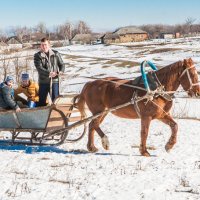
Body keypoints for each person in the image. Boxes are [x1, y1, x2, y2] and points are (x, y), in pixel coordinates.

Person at [34, 37, 65, 106]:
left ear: (49, 45)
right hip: (43, 82)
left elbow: (62, 64)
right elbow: (39, 68)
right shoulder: (37, 56)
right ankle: (42, 115)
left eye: (45, 44)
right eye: (42, 45)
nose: (44, 46)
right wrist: (49, 73)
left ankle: (55, 115)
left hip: (54, 81)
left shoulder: (56, 54)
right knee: (41, 102)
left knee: (55, 101)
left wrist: (61, 71)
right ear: (40, 46)